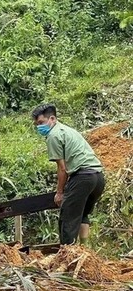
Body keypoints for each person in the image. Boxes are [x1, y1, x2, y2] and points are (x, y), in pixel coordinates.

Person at [31, 104, 105, 245]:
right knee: (82, 215)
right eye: (36, 124)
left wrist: (59, 192)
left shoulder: (53, 135)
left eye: (41, 123)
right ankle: (85, 250)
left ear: (52, 118)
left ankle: (67, 254)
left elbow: (62, 168)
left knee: (68, 218)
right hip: (98, 177)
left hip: (83, 177)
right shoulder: (68, 130)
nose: (39, 127)